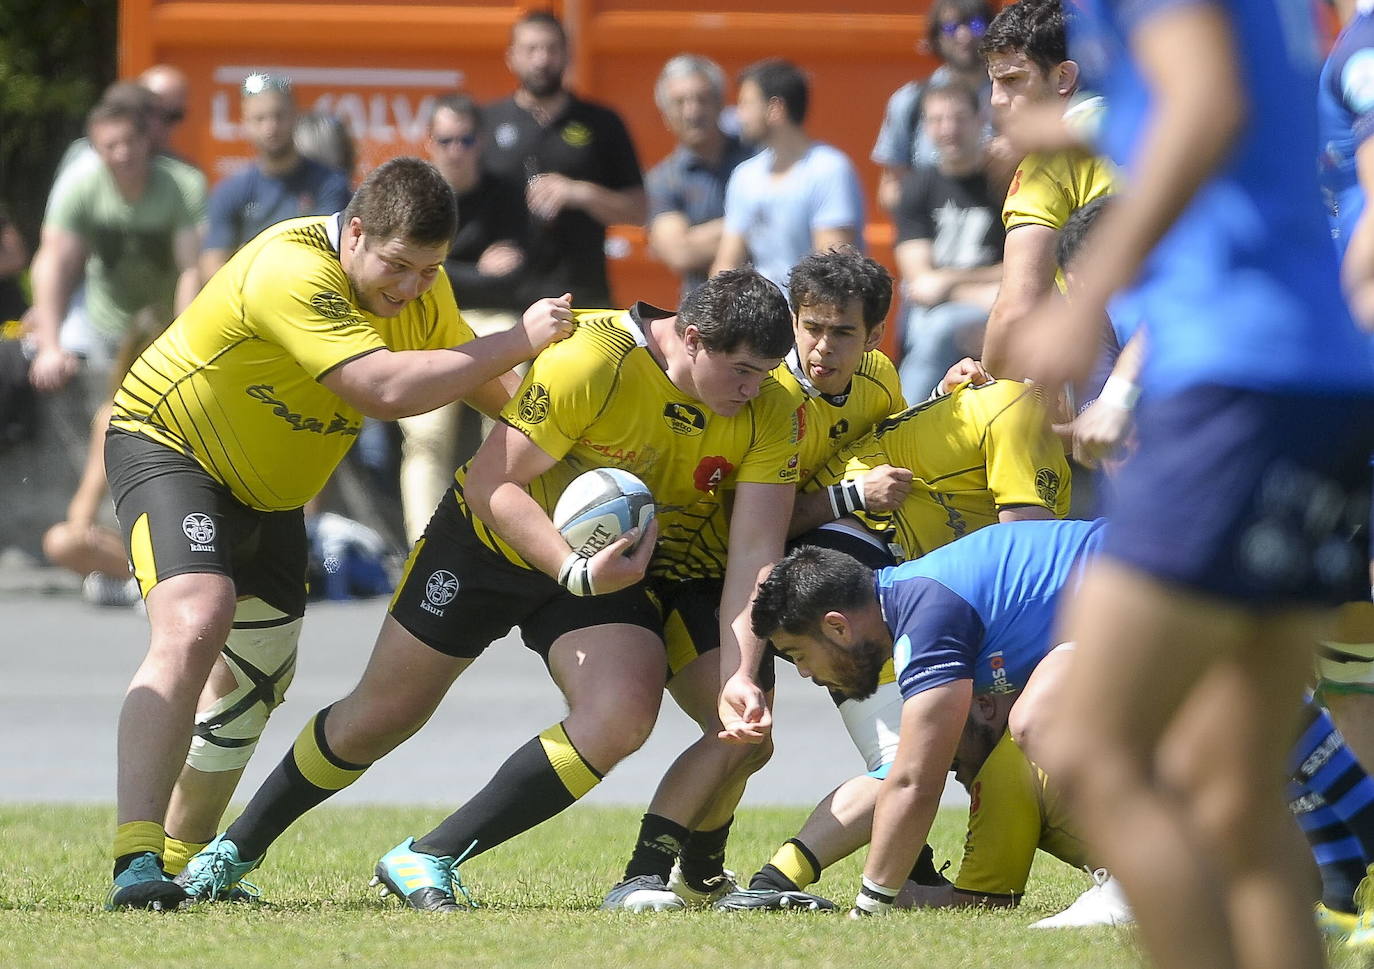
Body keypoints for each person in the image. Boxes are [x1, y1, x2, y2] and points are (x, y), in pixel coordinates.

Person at [177, 269, 802, 913]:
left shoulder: (774, 407)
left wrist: (742, 671)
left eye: (766, 372)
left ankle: (429, 857)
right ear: (692, 337)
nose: (755, 389)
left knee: (620, 713)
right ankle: (233, 851)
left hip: (599, 567)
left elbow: (755, 551)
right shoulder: (591, 356)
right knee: (381, 716)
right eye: (743, 371)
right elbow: (491, 486)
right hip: (489, 545)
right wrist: (572, 570)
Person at [1002, 2, 1374, 968]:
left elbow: (1206, 105)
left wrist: (1087, 302)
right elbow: (1236, 103)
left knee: (1089, 742)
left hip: (1232, 379)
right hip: (1319, 375)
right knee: (1233, 783)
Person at [98, 156, 574, 910]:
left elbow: (477, 380)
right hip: (173, 448)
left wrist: (567, 452)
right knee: (196, 617)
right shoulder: (291, 267)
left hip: (275, 496)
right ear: (355, 231)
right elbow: (381, 389)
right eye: (398, 266)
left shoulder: (422, 289)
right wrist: (519, 335)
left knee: (254, 685)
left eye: (430, 269)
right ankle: (135, 859)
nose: (413, 287)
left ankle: (187, 867)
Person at [603, 246, 904, 911]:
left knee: (753, 739)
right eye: (811, 327)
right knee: (739, 731)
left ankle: (704, 870)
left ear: (875, 337)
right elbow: (760, 518)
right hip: (710, 577)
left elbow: (897, 444)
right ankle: (642, 873)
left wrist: (946, 398)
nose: (823, 346)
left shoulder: (881, 380)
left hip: (785, 579)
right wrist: (851, 499)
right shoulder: (774, 394)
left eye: (843, 331)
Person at [396, 93, 532, 543]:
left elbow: (513, 280)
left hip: (493, 318)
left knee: (509, 418)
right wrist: (469, 272)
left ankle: (500, 537)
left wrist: (440, 271)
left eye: (466, 139)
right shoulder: (417, 197)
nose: (456, 150)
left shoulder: (506, 192)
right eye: (446, 139)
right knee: (426, 434)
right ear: (430, 143)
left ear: (482, 142)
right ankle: (421, 546)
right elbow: (411, 273)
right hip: (427, 319)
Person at [27, 84, 202, 393]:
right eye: (111, 146)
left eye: (130, 142)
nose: (122, 153)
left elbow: (192, 268)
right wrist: (50, 346)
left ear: (146, 140)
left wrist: (185, 343)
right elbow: (54, 259)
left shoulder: (183, 183)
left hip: (165, 326)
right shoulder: (80, 185)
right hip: (100, 322)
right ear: (94, 149)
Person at [975, 0, 1116, 381]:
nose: (996, 100)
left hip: (1116, 350)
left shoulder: (1048, 163)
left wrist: (984, 381)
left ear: (1063, 78)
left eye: (1012, 80)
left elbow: (1017, 308)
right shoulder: (1140, 122)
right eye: (993, 81)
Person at [481, 9, 646, 307]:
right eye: (531, 49)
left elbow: (638, 211)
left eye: (551, 49)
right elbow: (460, 206)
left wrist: (580, 192)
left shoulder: (602, 122)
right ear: (511, 57)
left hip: (583, 297)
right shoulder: (486, 123)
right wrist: (478, 255)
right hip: (502, 304)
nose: (542, 60)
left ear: (568, 55)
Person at [710, 59, 866, 293]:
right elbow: (726, 265)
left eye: (746, 104)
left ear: (775, 109)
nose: (739, 115)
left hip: (813, 321)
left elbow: (832, 272)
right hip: (761, 321)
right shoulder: (745, 176)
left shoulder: (830, 170)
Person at [892, 77, 1004, 402]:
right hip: (956, 303)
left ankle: (907, 422)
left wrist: (950, 282)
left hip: (994, 304)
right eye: (937, 120)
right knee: (933, 328)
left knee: (936, 329)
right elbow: (920, 280)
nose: (948, 129)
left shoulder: (1003, 180)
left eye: (958, 118)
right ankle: (910, 423)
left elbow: (1021, 264)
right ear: (925, 126)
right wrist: (978, 291)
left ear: (980, 119)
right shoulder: (916, 188)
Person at [200, 74, 352, 279]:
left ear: (295, 116)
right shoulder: (230, 191)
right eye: (259, 119)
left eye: (279, 116)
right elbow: (213, 264)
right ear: (245, 123)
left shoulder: (329, 184)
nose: (270, 127)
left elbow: (332, 251)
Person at [644, 54, 755, 300]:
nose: (692, 111)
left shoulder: (757, 159)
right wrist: (755, 221)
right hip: (706, 317)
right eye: (680, 102)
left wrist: (701, 237)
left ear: (720, 103)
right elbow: (680, 252)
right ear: (665, 114)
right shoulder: (662, 180)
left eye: (702, 99)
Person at [871, 0, 996, 212]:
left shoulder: (1012, 98)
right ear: (935, 37)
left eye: (975, 24)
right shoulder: (910, 100)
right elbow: (890, 188)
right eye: (951, 27)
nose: (964, 36)